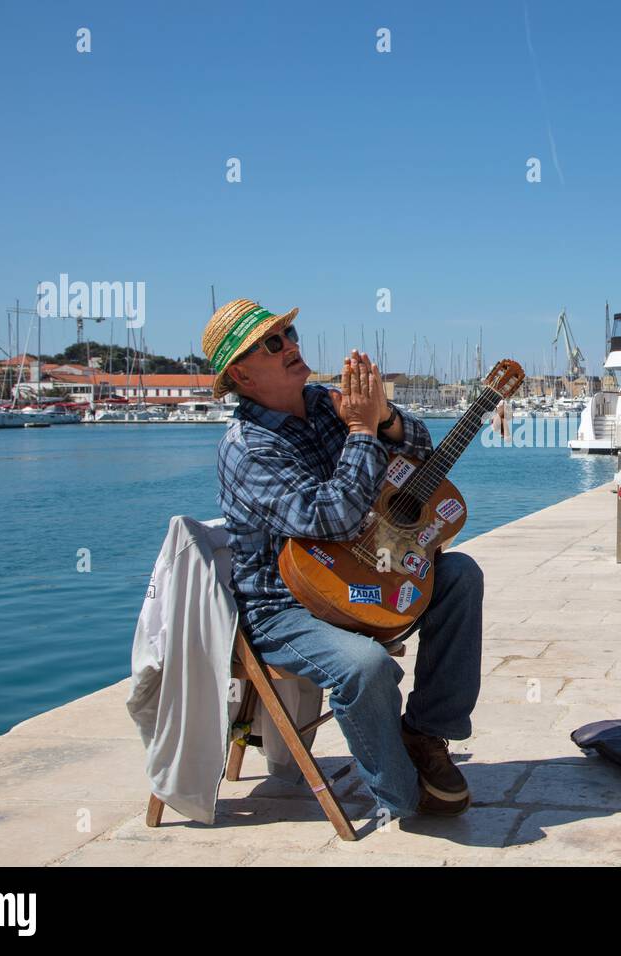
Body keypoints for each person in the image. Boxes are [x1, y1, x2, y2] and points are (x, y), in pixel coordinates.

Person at [206, 298, 482, 819]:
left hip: (362, 578)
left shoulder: (326, 404)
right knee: (365, 665)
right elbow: (330, 517)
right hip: (285, 608)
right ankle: (397, 791)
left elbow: (420, 452)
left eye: (288, 333)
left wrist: (387, 418)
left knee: (461, 574)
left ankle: (426, 734)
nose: (290, 345)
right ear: (242, 374)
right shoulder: (248, 449)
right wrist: (361, 431)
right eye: (272, 343)